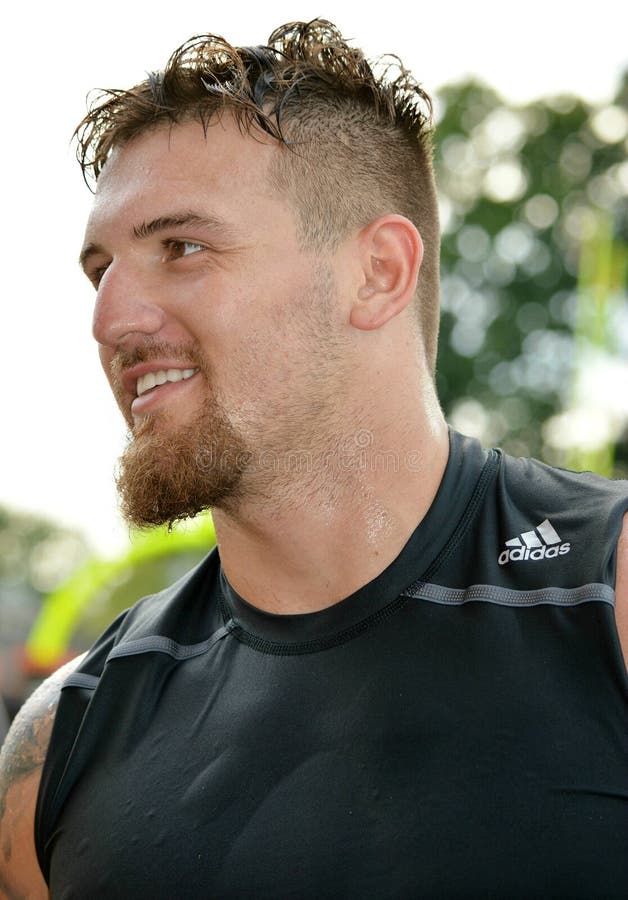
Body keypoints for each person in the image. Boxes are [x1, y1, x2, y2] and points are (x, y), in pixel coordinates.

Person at [1, 18, 627, 899]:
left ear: (377, 272)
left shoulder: (607, 593)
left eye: (181, 247)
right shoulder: (63, 738)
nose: (109, 321)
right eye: (100, 269)